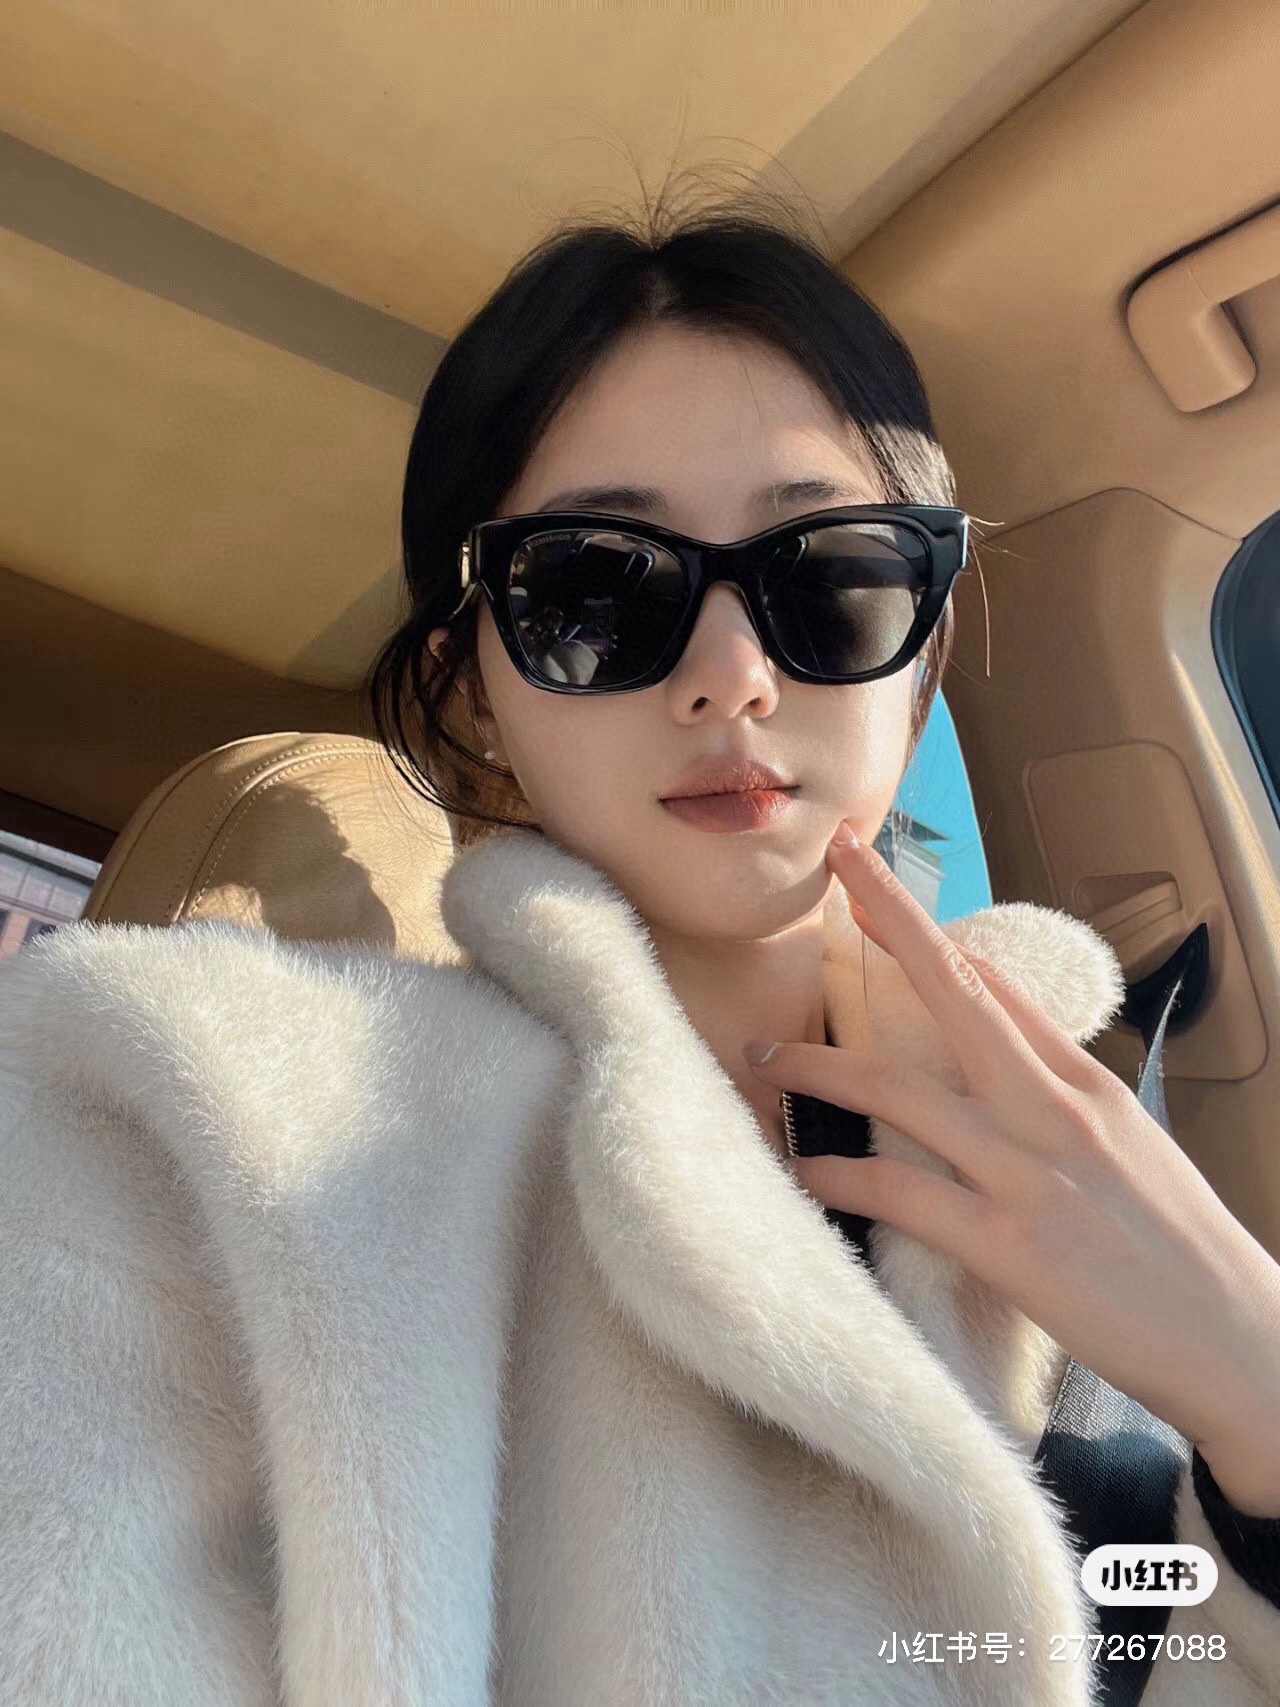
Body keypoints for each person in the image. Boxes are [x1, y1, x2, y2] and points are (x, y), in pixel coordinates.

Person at [2, 178, 1278, 1707]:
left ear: (924, 663)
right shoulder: (186, 1125)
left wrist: (1259, 1397)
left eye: (833, 578)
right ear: (475, 691)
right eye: (595, 591)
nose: (732, 675)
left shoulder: (1088, 1178)